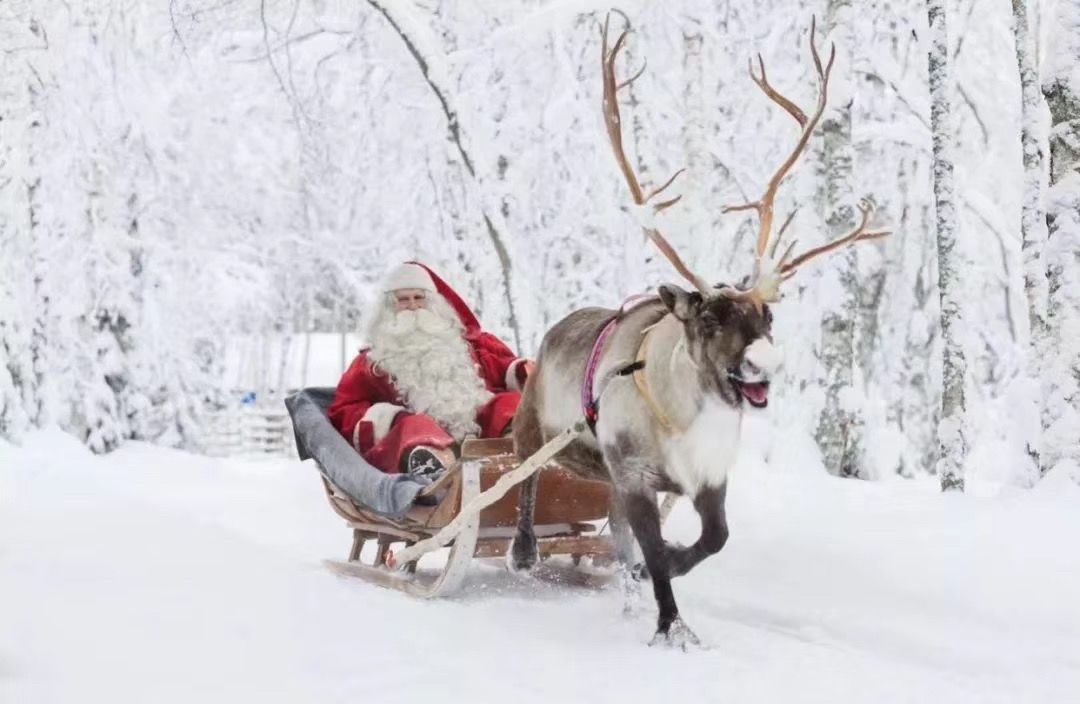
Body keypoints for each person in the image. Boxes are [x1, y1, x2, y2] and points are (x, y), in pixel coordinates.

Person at [328, 262, 533, 479]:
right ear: (389, 308)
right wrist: (389, 418)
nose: (413, 306)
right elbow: (345, 407)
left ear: (434, 303)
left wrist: (525, 372)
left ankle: (517, 448)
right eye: (403, 300)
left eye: (419, 298)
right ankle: (436, 468)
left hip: (482, 433)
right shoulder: (371, 361)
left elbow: (507, 367)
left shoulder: (471, 345)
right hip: (417, 441)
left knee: (509, 403)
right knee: (413, 426)